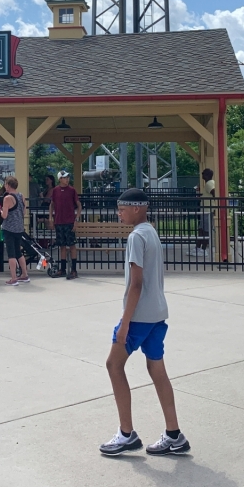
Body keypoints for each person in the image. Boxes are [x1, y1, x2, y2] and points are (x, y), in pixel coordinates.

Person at [99, 188, 188, 456]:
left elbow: (136, 284)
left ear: (137, 208)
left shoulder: (136, 236)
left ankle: (126, 434)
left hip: (138, 317)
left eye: (122, 208)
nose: (119, 213)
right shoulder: (151, 231)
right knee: (156, 369)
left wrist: (125, 324)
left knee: (113, 365)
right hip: (157, 313)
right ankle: (174, 434)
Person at [49, 170, 81, 279]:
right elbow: (52, 204)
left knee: (72, 245)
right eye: (65, 177)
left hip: (69, 221)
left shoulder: (72, 190)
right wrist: (50, 217)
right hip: (59, 221)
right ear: (60, 179)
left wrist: (76, 220)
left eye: (68, 177)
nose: (67, 179)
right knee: (61, 245)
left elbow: (79, 205)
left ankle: (74, 270)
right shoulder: (55, 191)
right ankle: (62, 269)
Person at [0, 176, 30, 286]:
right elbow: (24, 212)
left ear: (8, 185)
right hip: (19, 228)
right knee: (19, 252)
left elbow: (5, 215)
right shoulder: (21, 196)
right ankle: (24, 274)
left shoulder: (7, 198)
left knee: (11, 254)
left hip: (9, 228)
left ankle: (13, 278)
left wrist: (0, 210)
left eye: (5, 184)